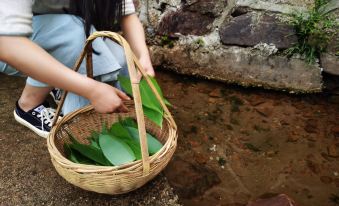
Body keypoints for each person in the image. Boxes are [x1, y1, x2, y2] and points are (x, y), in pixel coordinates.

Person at [0, 0, 155, 138]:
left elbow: (127, 15)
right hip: (11, 42)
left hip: (55, 30)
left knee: (117, 57)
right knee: (73, 32)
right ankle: (28, 104)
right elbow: (7, 43)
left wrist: (143, 57)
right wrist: (91, 90)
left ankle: (60, 83)